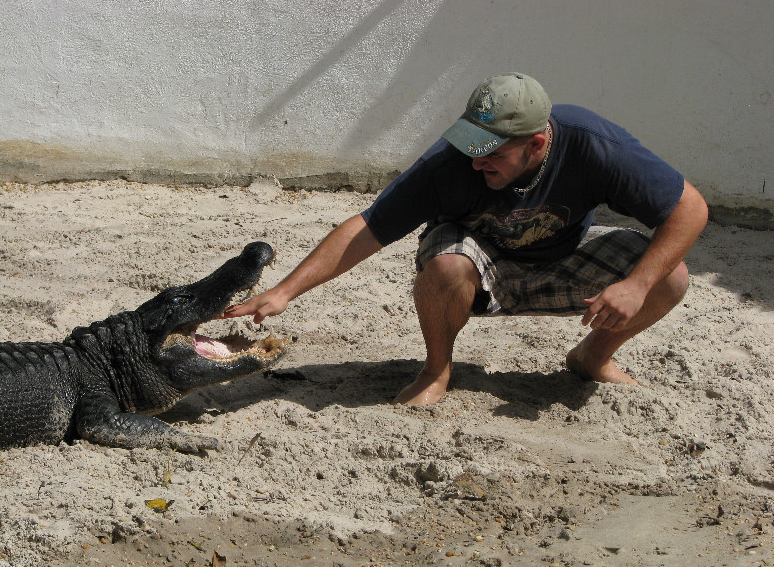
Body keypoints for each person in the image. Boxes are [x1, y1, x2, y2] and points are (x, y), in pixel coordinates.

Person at [223, 72, 708, 405]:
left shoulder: (595, 146)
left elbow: (690, 208)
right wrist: (284, 292)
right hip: (480, 268)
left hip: (561, 262)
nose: (476, 162)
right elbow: (368, 227)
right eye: (472, 146)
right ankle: (437, 370)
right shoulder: (451, 162)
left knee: (671, 277)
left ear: (537, 143)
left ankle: (591, 358)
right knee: (445, 263)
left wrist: (638, 284)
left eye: (491, 153)